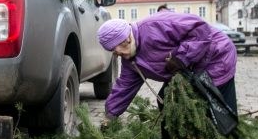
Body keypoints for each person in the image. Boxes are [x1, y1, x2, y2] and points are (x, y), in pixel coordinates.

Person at [97, 13, 237, 121]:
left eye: (116, 50)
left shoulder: (156, 26)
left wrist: (181, 59)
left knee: (218, 110)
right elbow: (124, 88)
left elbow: (199, 28)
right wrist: (109, 117)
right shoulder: (130, 61)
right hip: (189, 70)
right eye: (113, 53)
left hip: (216, 57)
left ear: (126, 39)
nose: (117, 55)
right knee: (166, 100)